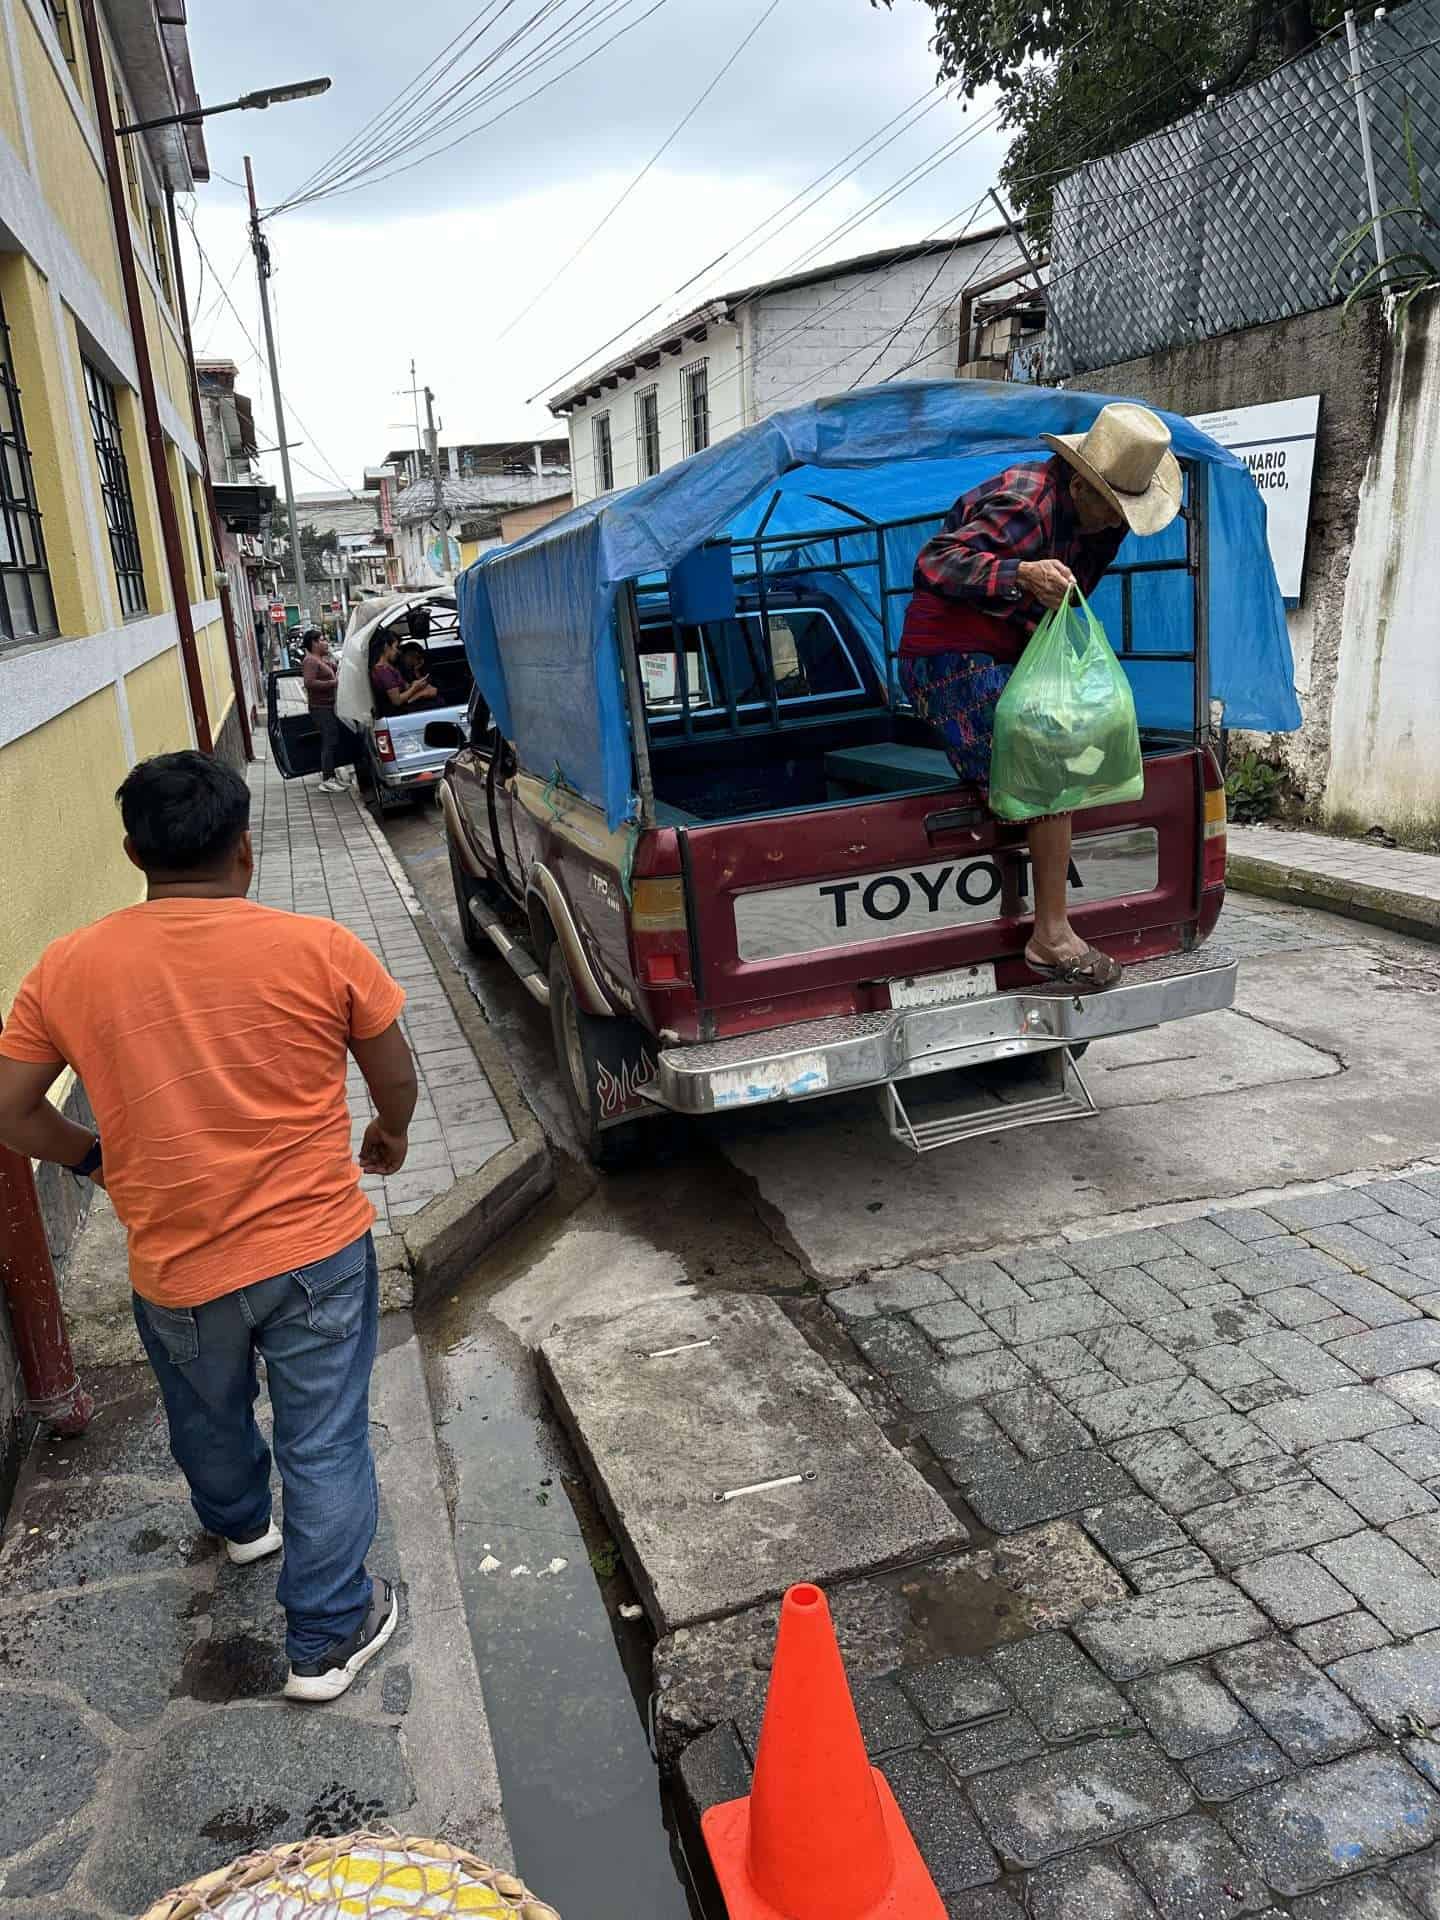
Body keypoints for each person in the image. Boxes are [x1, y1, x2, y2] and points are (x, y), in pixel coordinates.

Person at [0, 752, 419, 1704]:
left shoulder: (67, 967)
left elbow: (11, 1110)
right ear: (245, 851)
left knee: (206, 1410)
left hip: (176, 1262)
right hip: (315, 1251)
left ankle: (241, 1526)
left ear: (131, 851)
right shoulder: (322, 949)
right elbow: (394, 1075)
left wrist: (93, 1159)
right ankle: (325, 1636)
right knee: (324, 1439)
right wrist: (387, 1135)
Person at [901, 401, 1181, 990]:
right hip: (947, 654)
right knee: (1044, 761)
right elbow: (933, 562)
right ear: (1081, 482)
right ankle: (1050, 937)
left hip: (1014, 650)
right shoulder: (1026, 502)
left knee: (1080, 733)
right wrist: (1020, 574)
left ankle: (1049, 904)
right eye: (1113, 509)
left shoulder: (1100, 524)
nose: (1118, 524)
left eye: (1128, 512)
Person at [300, 629, 349, 794]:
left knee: (333, 739)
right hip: (320, 708)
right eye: (322, 640)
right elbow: (309, 682)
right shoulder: (310, 661)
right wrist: (333, 683)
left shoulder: (320, 659)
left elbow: (333, 669)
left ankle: (332, 776)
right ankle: (327, 779)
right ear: (314, 643)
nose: (326, 642)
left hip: (329, 706)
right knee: (329, 741)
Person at [371, 628, 434, 710]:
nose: (398, 651)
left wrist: (415, 684)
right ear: (386, 646)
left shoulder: (388, 666)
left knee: (432, 690)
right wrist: (415, 689)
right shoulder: (383, 670)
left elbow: (403, 687)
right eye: (396, 647)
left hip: (405, 702)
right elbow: (397, 701)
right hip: (401, 709)